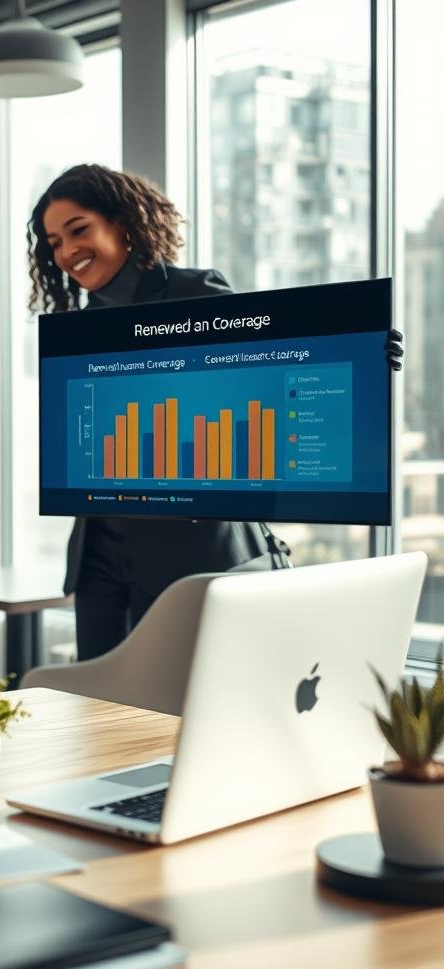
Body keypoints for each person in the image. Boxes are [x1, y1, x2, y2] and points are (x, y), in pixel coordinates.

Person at [27, 163, 402, 661]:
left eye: (78, 230)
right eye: (54, 242)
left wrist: (361, 355)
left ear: (121, 222)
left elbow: (271, 371)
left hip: (189, 551)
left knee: (179, 704)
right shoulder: (80, 329)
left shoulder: (193, 292)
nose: (67, 251)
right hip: (99, 553)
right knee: (99, 708)